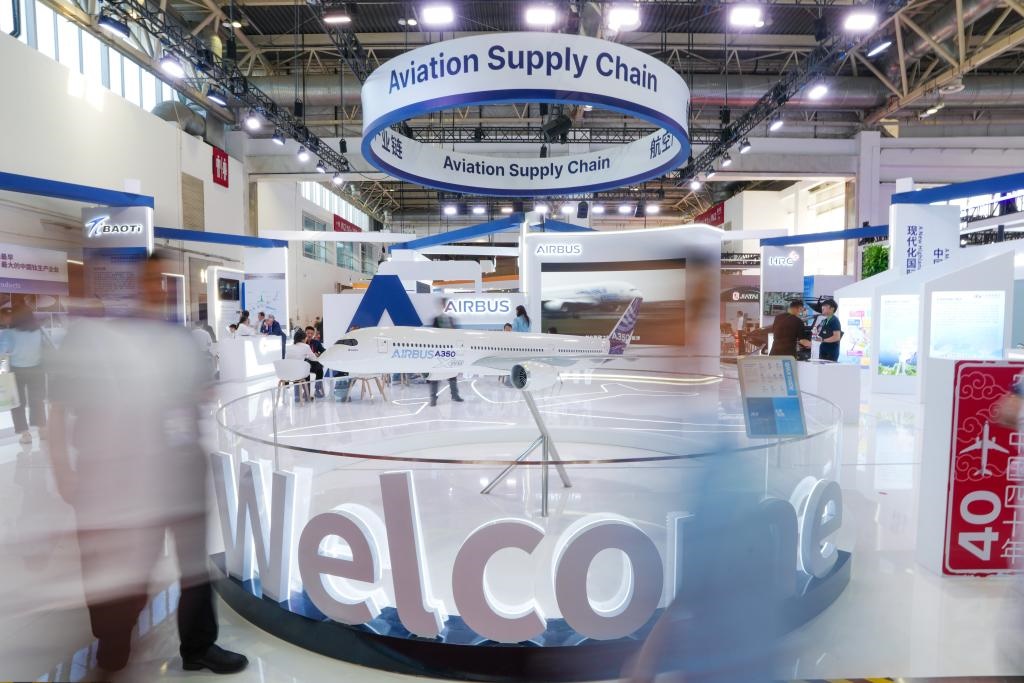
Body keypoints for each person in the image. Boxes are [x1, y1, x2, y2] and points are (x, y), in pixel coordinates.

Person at [47, 250, 247, 676]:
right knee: (131, 563)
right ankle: (114, 639)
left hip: (182, 466)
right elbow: (65, 405)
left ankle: (198, 646)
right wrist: (64, 468)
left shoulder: (181, 340)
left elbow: (198, 394)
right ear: (138, 284)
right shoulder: (110, 340)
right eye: (152, 280)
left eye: (164, 281)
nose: (159, 289)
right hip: (134, 472)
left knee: (193, 563)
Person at [2, 304, 47, 445]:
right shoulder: (38, 331)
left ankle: (25, 434)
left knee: (17, 403)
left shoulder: (9, 333)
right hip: (37, 370)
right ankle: (42, 430)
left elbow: (2, 351)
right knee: (37, 401)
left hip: (17, 372)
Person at [429, 304, 463, 406]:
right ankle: (433, 398)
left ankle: (455, 395)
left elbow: (456, 335)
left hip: (450, 352)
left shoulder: (451, 319)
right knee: (435, 375)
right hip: (438, 352)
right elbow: (432, 335)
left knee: (452, 375)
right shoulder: (436, 319)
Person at [286, 328, 325, 398]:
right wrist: (314, 355)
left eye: (311, 333)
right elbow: (314, 358)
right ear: (304, 337)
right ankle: (307, 394)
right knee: (308, 371)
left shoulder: (289, 347)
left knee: (316, 368)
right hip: (302, 368)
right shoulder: (305, 346)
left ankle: (298, 395)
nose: (309, 335)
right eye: (308, 334)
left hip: (290, 371)